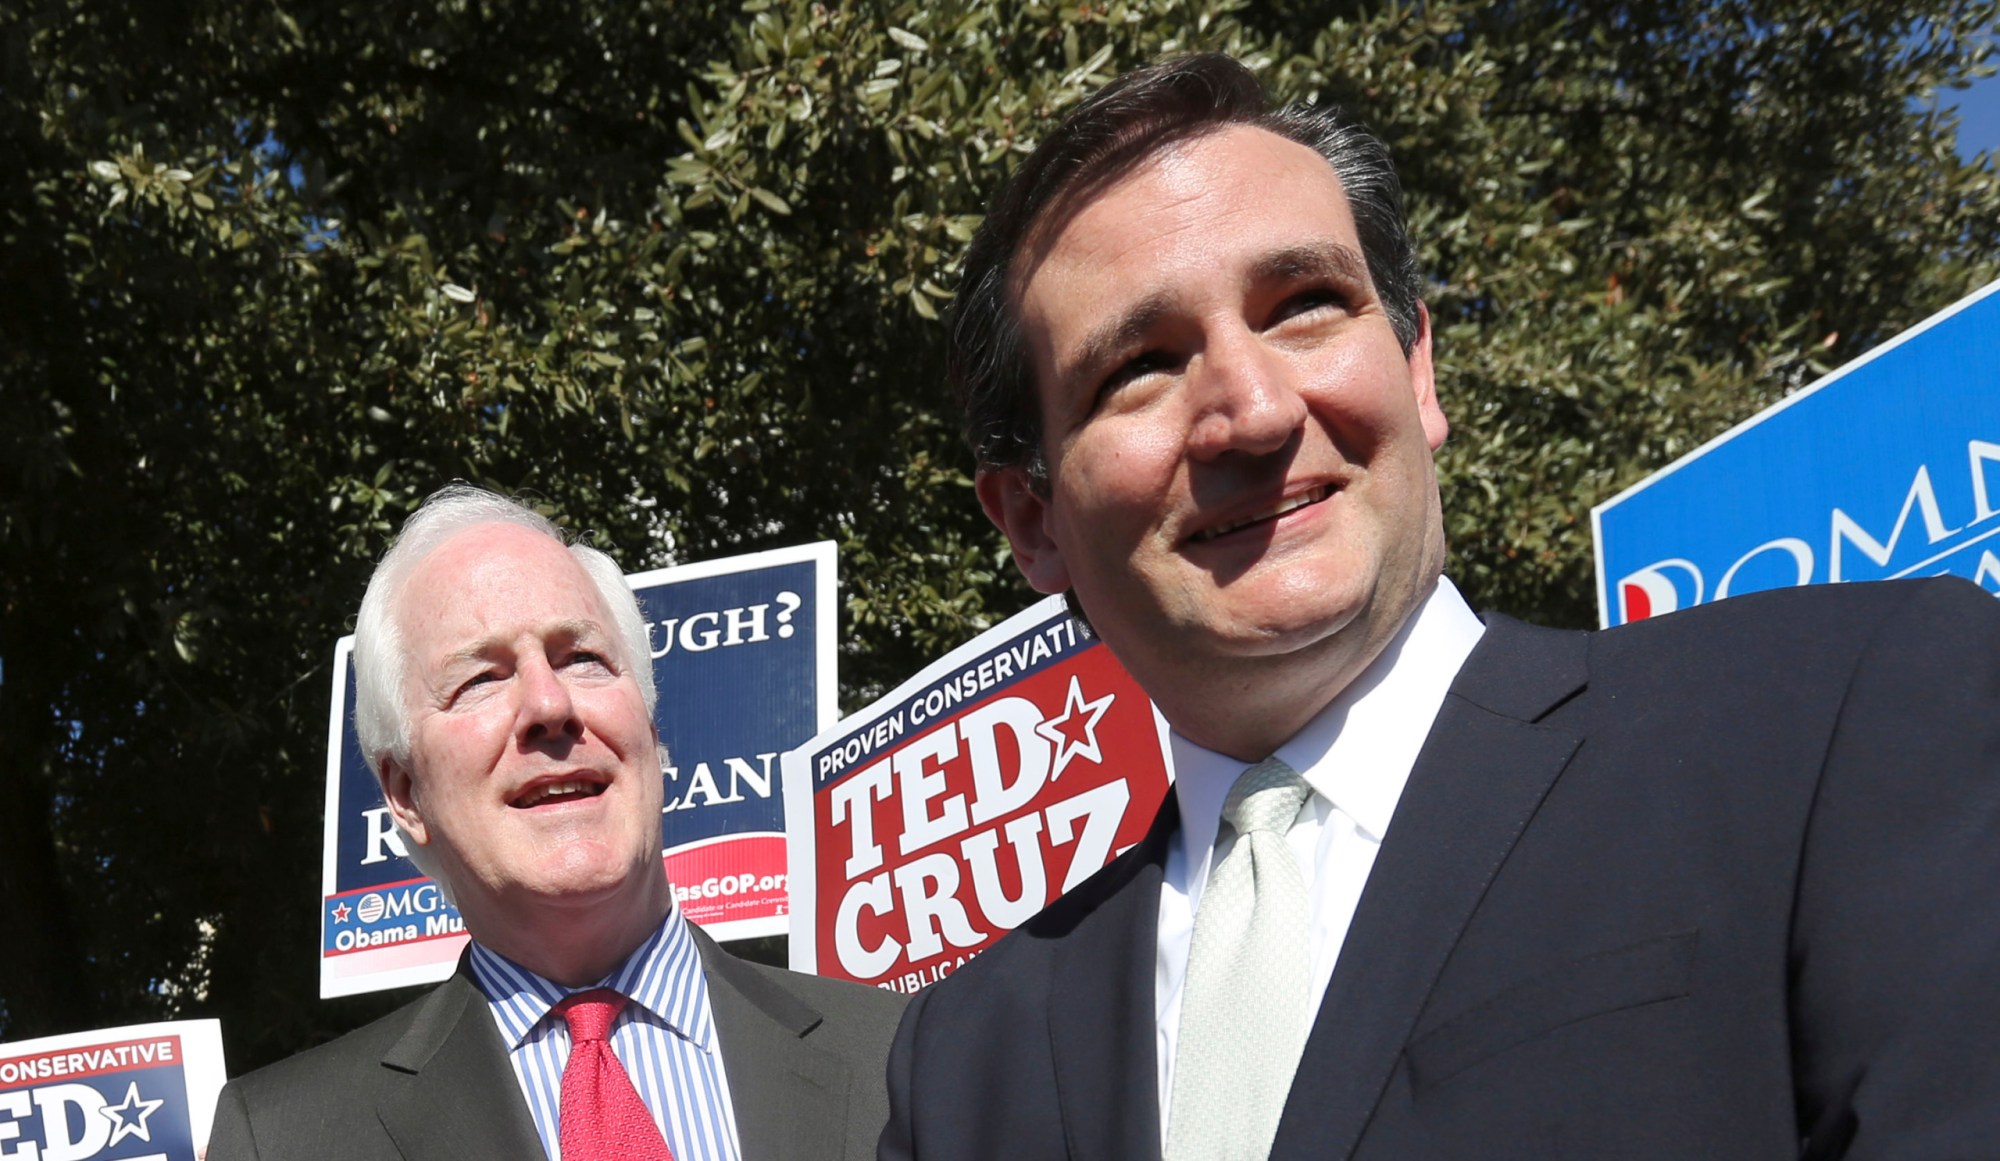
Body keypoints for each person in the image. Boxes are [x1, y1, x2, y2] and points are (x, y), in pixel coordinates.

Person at [879, 52, 2000, 1160]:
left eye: (1305, 305)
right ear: (1029, 519)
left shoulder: (1841, 723)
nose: (1255, 412)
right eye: (1139, 365)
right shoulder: (963, 1060)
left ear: (1418, 374)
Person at [210, 485, 903, 1161]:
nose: (549, 701)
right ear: (405, 792)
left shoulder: (905, 1052)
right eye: (480, 677)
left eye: (584, 659)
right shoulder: (281, 1139)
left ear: (650, 728)